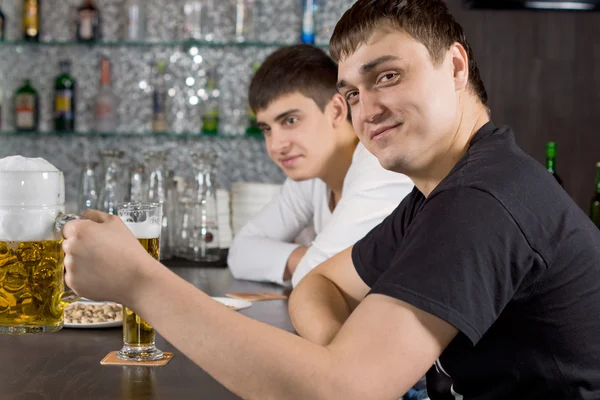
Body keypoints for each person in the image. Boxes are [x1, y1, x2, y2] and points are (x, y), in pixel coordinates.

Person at [61, 0, 600, 399]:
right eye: (351, 94)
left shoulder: (483, 198)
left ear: (456, 67)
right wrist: (344, 351)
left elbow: (339, 393)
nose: (366, 112)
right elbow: (320, 284)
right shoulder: (442, 191)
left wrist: (139, 281)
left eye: (387, 76)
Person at [227, 44, 413, 287]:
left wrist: (312, 263)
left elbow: (316, 280)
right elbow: (240, 252)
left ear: (336, 110)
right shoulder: (313, 174)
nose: (276, 146)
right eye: (267, 129)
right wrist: (306, 257)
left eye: (290, 121)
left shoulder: (380, 166)